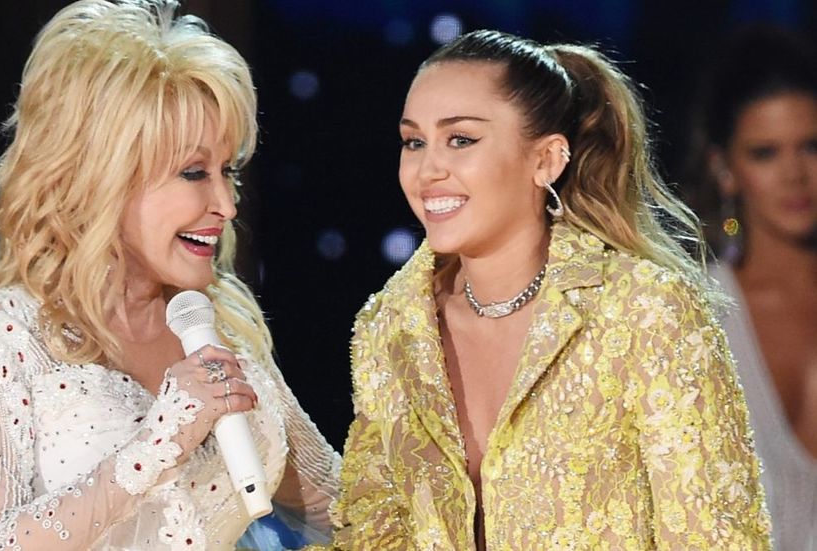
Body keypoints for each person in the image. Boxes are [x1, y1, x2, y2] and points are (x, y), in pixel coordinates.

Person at [320, 30, 772, 549]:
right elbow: (373, 534)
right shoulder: (392, 329)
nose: (428, 170)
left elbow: (716, 538)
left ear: (547, 160)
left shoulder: (644, 311)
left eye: (461, 139)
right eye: (413, 142)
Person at [0, 1, 340, 549]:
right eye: (194, 173)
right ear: (103, 176)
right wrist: (160, 439)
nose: (226, 204)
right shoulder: (8, 328)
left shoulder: (221, 327)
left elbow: (344, 506)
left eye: (227, 171)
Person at [686, 27, 817, 551]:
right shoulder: (697, 317)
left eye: (811, 146)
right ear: (725, 169)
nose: (795, 175)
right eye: (765, 153)